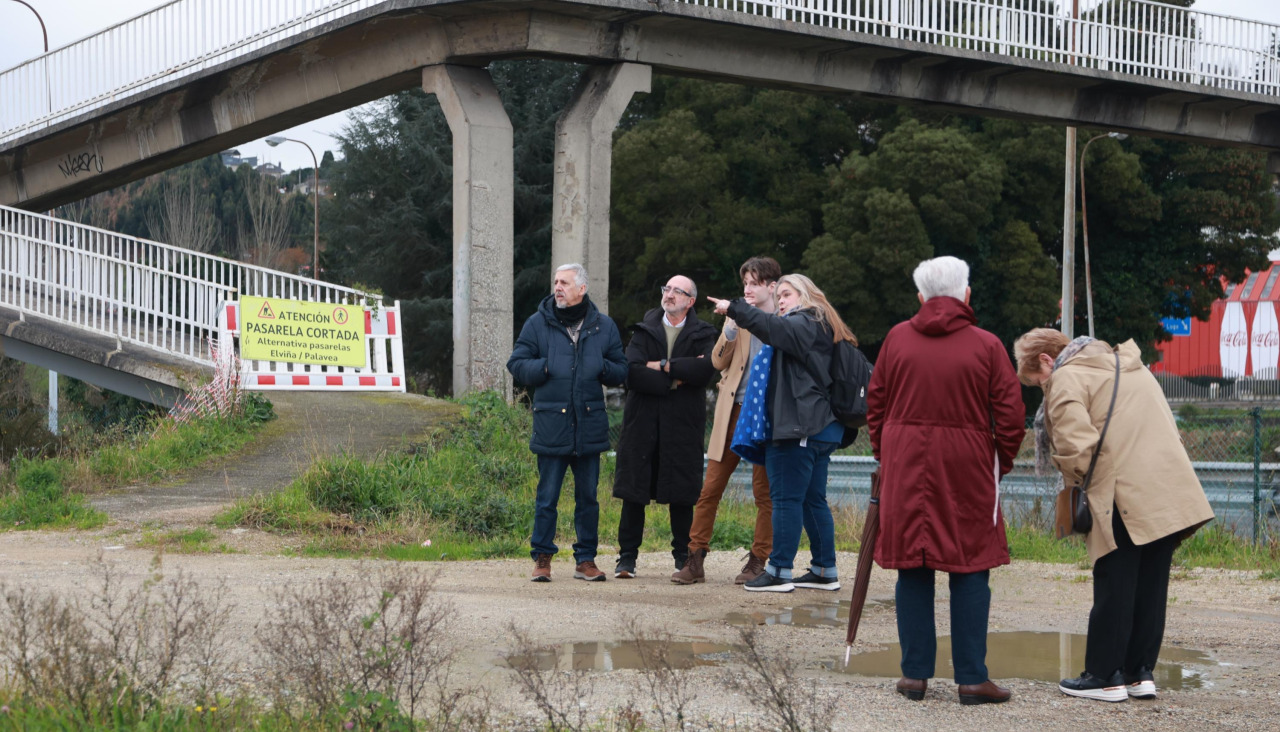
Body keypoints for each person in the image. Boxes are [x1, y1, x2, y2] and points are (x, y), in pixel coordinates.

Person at [1014, 328, 1213, 702]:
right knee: (1151, 583)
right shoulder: (1128, 365)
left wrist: (1076, 486)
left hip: (1121, 489)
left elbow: (1077, 446)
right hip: (1167, 485)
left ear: (1045, 360)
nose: (1041, 387)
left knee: (1114, 580)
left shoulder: (1066, 377)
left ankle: (1104, 675)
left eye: (1036, 381)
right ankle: (1140, 672)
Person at [866, 256, 1025, 706]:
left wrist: (887, 452)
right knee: (971, 563)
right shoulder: (987, 345)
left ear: (921, 298)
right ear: (966, 295)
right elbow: (1012, 417)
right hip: (968, 466)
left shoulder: (897, 339)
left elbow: (875, 404)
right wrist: (999, 462)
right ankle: (973, 678)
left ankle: (915, 676)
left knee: (912, 567)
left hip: (906, 463)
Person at [707, 273, 850, 594]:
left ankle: (779, 570)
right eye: (780, 295)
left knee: (785, 499)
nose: (781, 301)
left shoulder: (803, 322)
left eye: (787, 294)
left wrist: (736, 309)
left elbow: (774, 328)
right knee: (813, 500)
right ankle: (824, 569)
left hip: (798, 429)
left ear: (807, 296)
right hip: (819, 428)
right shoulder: (819, 325)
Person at [507, 263, 627, 583]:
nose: (557, 287)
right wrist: (545, 367)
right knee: (547, 497)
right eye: (556, 281)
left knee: (588, 498)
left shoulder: (604, 327)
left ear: (581, 289)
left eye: (565, 282)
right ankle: (542, 558)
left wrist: (602, 366)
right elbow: (516, 364)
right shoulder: (537, 324)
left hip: (589, 425)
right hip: (551, 425)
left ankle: (585, 560)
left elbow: (621, 369)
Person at [674, 257, 780, 585]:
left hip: (768, 415)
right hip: (734, 409)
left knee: (764, 492)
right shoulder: (741, 319)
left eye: (754, 283)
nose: (747, 289)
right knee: (710, 489)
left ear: (772, 286)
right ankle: (695, 559)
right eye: (745, 282)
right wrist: (731, 330)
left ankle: (758, 560)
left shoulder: (786, 318)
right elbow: (718, 362)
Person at [613, 275, 718, 579]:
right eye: (666, 289)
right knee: (634, 491)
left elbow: (704, 370)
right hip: (642, 420)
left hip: (683, 423)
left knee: (682, 493)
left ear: (690, 301)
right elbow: (631, 372)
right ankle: (626, 559)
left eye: (677, 291)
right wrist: (675, 377)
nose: (669, 295)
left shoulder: (702, 332)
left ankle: (683, 559)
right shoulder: (645, 329)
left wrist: (659, 366)